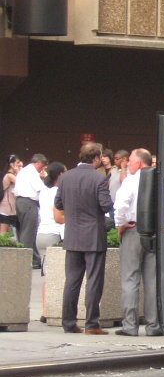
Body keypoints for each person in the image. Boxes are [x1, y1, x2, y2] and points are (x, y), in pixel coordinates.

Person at [113, 147, 164, 335]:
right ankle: (153, 325)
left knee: (130, 279)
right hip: (157, 233)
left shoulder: (130, 182)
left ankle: (129, 326)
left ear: (139, 163)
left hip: (134, 230)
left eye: (130, 160)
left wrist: (121, 225)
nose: (128, 163)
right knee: (153, 281)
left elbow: (120, 206)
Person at [53, 142, 114, 332]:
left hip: (72, 236)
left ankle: (69, 323)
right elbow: (106, 205)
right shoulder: (99, 178)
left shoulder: (66, 177)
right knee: (94, 281)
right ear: (96, 157)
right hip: (94, 236)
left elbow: (59, 203)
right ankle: (91, 323)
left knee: (72, 281)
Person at [36, 161, 66, 323]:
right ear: (60, 175)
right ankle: (47, 310)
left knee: (46, 273)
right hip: (53, 234)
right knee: (54, 274)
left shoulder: (43, 190)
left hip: (40, 234)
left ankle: (46, 309)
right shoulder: (58, 192)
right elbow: (59, 217)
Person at [13, 151, 48, 267]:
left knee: (26, 231)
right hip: (28, 202)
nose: (42, 168)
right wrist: (45, 179)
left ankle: (36, 259)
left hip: (20, 202)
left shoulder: (24, 171)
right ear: (38, 163)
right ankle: (24, 260)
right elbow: (40, 188)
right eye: (43, 166)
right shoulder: (31, 172)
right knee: (28, 232)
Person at [1, 154, 21, 230]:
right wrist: (18, 172)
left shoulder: (15, 174)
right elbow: (21, 183)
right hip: (6, 208)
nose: (19, 165)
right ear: (11, 164)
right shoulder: (9, 175)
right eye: (17, 162)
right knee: (3, 232)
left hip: (13, 207)